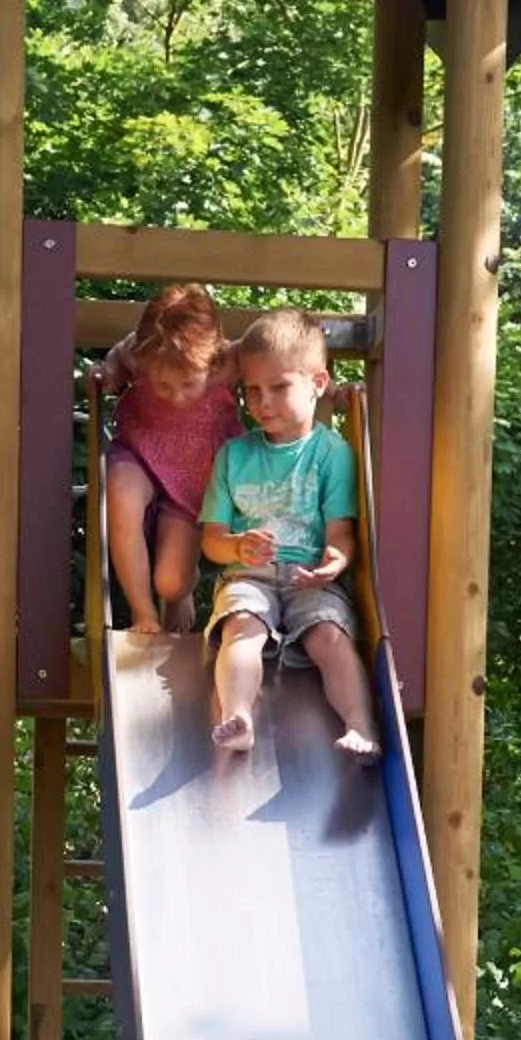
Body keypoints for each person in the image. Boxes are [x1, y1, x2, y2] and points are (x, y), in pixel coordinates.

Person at [198, 308, 379, 759]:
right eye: (252, 391)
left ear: (318, 383)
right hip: (249, 577)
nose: (263, 403)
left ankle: (360, 725)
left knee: (329, 637)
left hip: (308, 577)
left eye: (279, 387)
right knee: (243, 628)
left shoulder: (332, 454)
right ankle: (237, 717)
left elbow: (340, 531)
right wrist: (238, 546)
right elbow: (212, 538)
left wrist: (333, 563)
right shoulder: (233, 455)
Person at [101, 283, 242, 637]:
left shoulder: (229, 361)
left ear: (211, 363)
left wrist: (328, 389)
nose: (175, 396)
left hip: (193, 474)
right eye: (162, 385)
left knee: (170, 582)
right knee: (121, 491)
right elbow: (119, 355)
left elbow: (281, 358)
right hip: (140, 451)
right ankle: (143, 614)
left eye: (188, 384)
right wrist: (110, 372)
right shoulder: (140, 351)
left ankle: (180, 591)